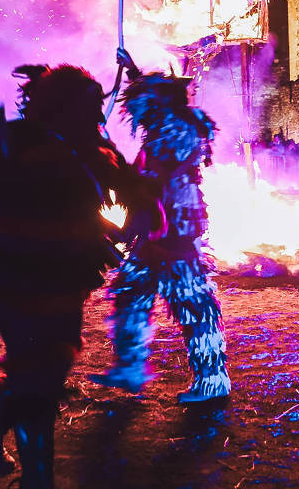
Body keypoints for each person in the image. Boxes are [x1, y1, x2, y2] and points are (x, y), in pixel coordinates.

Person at [0, 64, 144, 487]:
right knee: (38, 380)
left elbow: (129, 187)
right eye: (87, 104)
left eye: (96, 105)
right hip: (16, 279)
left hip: (64, 280)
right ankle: (37, 479)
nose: (96, 113)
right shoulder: (16, 139)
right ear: (60, 106)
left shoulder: (92, 148)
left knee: (49, 368)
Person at [93, 48, 231, 404]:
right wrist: (133, 71)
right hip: (157, 228)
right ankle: (129, 367)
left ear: (158, 102)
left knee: (192, 304)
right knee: (130, 291)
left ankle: (212, 380)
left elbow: (154, 181)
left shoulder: (176, 130)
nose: (133, 108)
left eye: (141, 100)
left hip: (173, 230)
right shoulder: (166, 124)